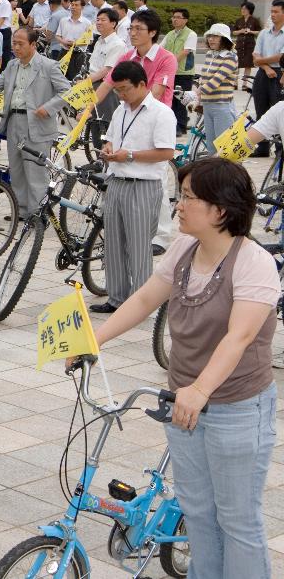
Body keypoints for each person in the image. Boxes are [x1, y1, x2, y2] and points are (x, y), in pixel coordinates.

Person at [84, 157, 277, 578]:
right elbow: (143, 299)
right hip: (183, 403)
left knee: (237, 518)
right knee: (199, 513)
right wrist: (92, 339)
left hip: (237, 407)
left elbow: (239, 337)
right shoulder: (185, 249)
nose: (178, 205)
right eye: (181, 195)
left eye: (189, 197)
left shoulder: (254, 263)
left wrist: (201, 389)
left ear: (221, 210)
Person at [92, 60, 177, 314]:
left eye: (125, 89)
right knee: (114, 244)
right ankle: (117, 298)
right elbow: (111, 140)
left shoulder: (162, 113)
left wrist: (129, 156)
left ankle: (141, 304)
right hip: (117, 181)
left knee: (139, 247)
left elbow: (166, 152)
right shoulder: (121, 110)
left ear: (143, 84)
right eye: (117, 89)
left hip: (143, 186)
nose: (121, 94)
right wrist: (108, 149)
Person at [0, 27, 71, 218]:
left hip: (37, 122)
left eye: (20, 44)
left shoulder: (48, 66)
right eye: (14, 43)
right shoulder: (12, 65)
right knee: (17, 168)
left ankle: (38, 213)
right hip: (13, 121)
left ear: (33, 45)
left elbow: (66, 91)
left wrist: (48, 107)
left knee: (35, 170)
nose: (16, 47)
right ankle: (21, 209)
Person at [250, 0, 284, 156]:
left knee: (277, 109)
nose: (272, 14)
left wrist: (260, 62)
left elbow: (281, 56)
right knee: (261, 109)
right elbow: (255, 54)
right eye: (271, 11)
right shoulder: (264, 33)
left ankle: (279, 149)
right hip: (263, 73)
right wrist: (265, 66)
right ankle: (262, 148)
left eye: (276, 11)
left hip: (280, 72)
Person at [196, 24, 239, 144]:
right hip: (207, 105)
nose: (211, 39)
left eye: (215, 36)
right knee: (211, 146)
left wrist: (195, 93)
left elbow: (215, 81)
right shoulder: (210, 54)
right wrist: (198, 97)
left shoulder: (231, 57)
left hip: (222, 105)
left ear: (224, 39)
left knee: (224, 147)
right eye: (209, 36)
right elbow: (205, 79)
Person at [163, 8, 198, 134]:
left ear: (185, 20)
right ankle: (172, 125)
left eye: (178, 17)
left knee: (182, 100)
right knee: (171, 99)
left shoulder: (191, 34)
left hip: (184, 72)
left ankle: (181, 126)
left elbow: (185, 51)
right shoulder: (170, 34)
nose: (175, 19)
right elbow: (162, 49)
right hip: (171, 72)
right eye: (173, 17)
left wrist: (170, 63)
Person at [233, 1, 261, 92]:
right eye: (242, 8)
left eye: (245, 9)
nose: (242, 10)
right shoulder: (238, 20)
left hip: (250, 45)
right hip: (240, 45)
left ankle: (245, 84)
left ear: (250, 10)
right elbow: (233, 32)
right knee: (236, 64)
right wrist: (241, 31)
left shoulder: (255, 20)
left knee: (248, 65)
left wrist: (250, 31)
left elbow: (259, 32)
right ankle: (235, 83)